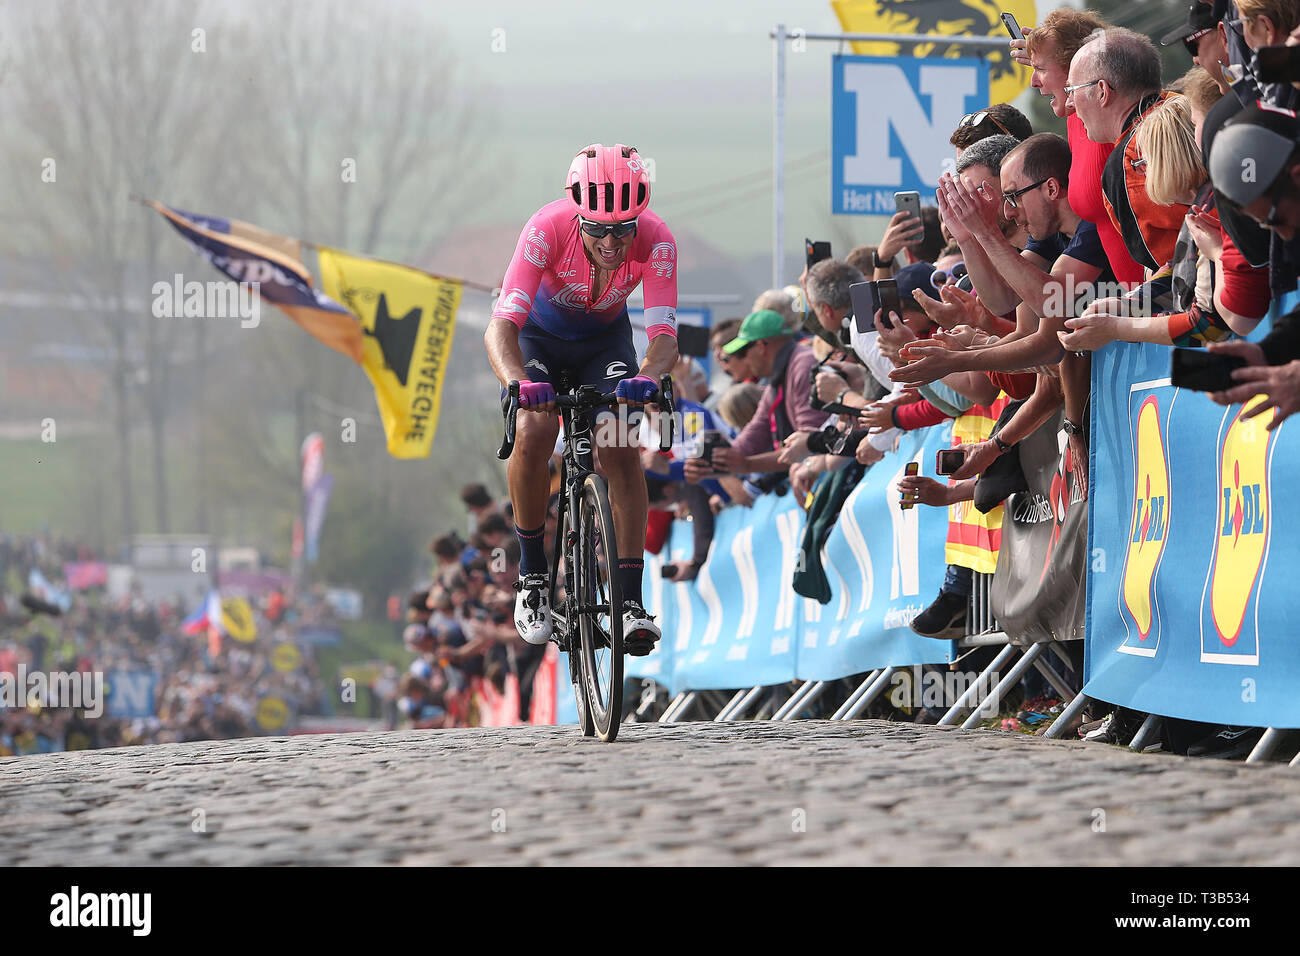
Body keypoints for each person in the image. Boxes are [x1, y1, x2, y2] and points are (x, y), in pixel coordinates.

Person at [484, 144, 678, 656]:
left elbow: (663, 335)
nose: (612, 242)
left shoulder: (657, 240)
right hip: (537, 342)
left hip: (603, 345)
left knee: (619, 442)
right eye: (599, 229)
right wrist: (515, 383)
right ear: (578, 215)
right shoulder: (545, 229)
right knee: (535, 430)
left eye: (623, 228)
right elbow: (502, 326)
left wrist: (651, 376)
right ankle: (531, 576)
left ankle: (631, 603)